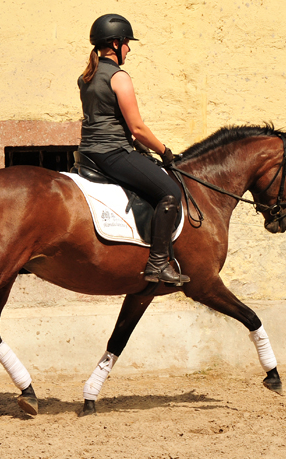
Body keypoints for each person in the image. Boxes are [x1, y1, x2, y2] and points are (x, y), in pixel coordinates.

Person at [77, 13, 190, 285]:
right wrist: (165, 151)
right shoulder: (119, 77)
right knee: (170, 191)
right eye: (127, 42)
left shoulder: (86, 77)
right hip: (112, 153)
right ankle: (158, 263)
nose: (129, 48)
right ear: (115, 44)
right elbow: (136, 128)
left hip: (89, 153)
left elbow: (109, 118)